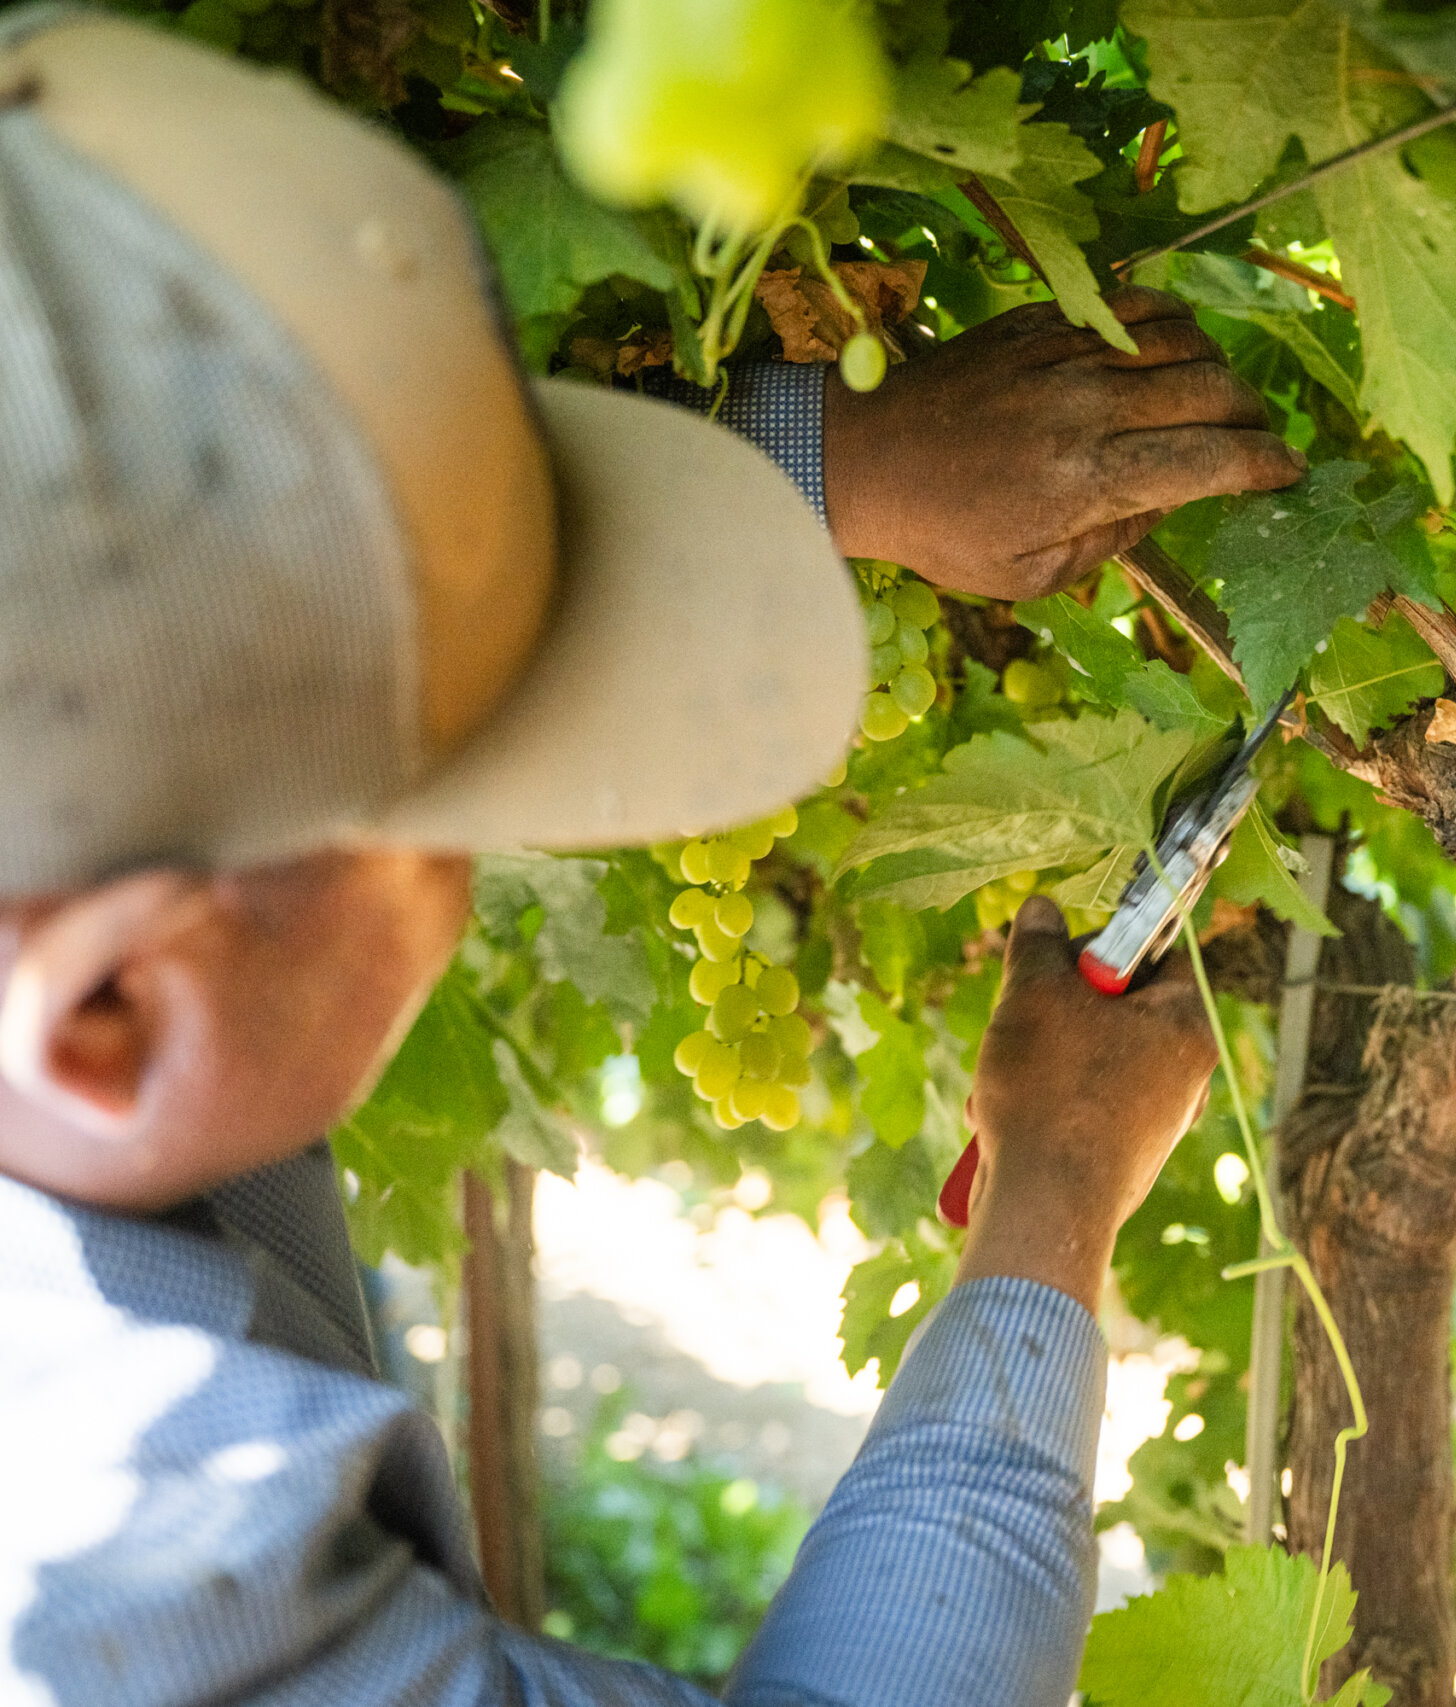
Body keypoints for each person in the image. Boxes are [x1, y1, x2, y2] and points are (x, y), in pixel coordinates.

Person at [0, 11, 1301, 1706]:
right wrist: (1055, 1188)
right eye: (466, 804)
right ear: (107, 1005)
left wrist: (836, 459)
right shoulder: (131, 1565)